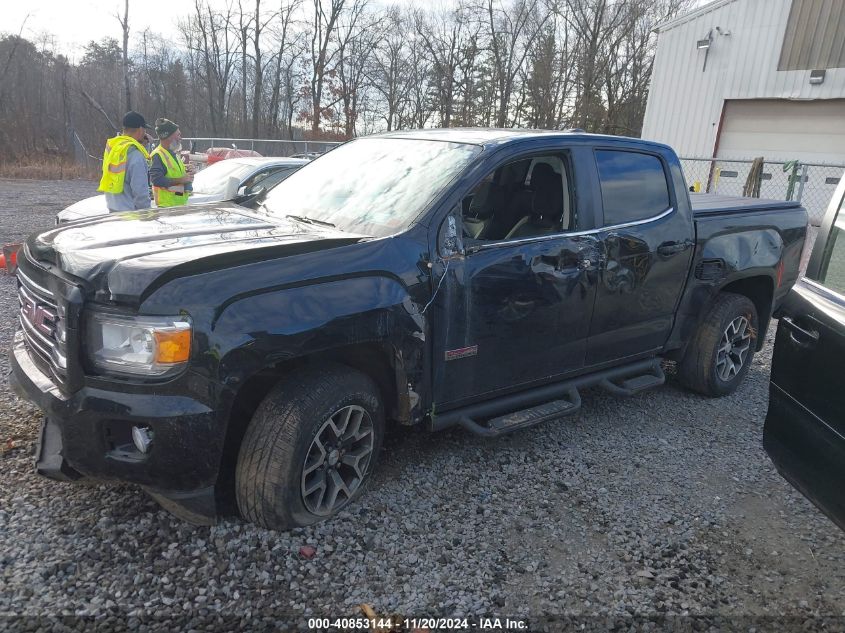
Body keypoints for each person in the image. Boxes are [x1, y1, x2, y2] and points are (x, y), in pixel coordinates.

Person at [98, 111, 153, 212]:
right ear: (140, 130)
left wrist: (140, 146)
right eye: (144, 130)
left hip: (113, 210)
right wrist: (147, 215)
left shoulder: (114, 149)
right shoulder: (136, 156)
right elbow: (140, 193)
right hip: (130, 216)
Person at [149, 118, 193, 207]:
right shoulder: (157, 155)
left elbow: (176, 178)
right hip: (166, 207)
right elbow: (157, 180)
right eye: (178, 135)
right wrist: (182, 180)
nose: (181, 138)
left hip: (177, 205)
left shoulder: (174, 154)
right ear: (168, 136)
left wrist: (188, 173)